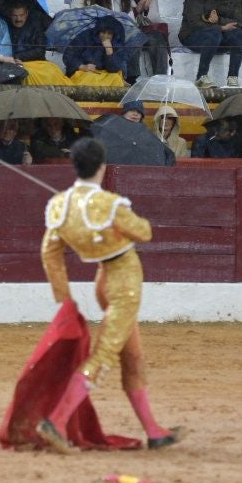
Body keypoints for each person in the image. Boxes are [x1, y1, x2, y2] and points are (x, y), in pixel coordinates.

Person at [34, 137, 177, 453]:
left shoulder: (60, 205)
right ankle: (55, 421)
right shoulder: (108, 204)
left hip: (101, 280)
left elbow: (50, 254)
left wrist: (65, 299)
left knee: (133, 357)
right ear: (102, 166)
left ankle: (154, 431)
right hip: (124, 282)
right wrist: (121, 218)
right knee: (105, 355)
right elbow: (145, 232)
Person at [182, 0, 242, 88]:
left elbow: (239, 22)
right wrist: (215, 24)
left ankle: (233, 78)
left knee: (240, 35)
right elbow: (193, 22)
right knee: (214, 33)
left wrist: (219, 21)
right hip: (193, 36)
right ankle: (201, 77)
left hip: (219, 40)